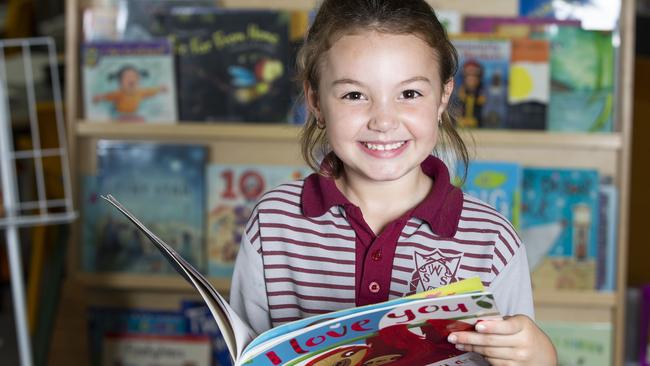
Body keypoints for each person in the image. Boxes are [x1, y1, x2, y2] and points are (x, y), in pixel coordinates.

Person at [230, 0, 557, 364]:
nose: (383, 121)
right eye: (354, 95)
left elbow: (518, 353)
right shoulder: (273, 222)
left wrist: (538, 357)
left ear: (443, 98)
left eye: (410, 94)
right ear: (316, 102)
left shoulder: (493, 241)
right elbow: (249, 354)